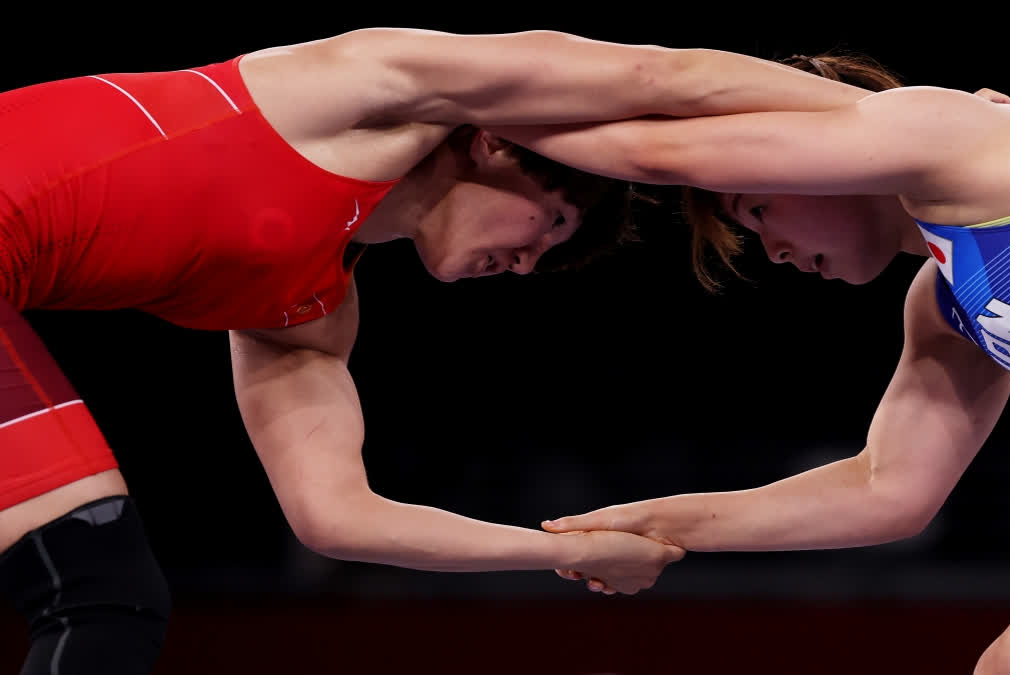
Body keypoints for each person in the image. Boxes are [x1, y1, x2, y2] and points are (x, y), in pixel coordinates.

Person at [0, 28, 881, 674]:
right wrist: (926, 126)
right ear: (498, 143)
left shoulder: (303, 309)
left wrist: (565, 550)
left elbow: (336, 519)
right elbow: (665, 75)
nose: (531, 261)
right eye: (555, 223)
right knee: (97, 594)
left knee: (99, 593)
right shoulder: (359, 86)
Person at [494, 53, 1010, 673]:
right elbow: (885, 491)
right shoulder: (946, 308)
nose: (771, 250)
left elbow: (660, 139)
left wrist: (456, 103)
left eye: (759, 207)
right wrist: (650, 520)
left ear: (809, 157)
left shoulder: (957, 137)